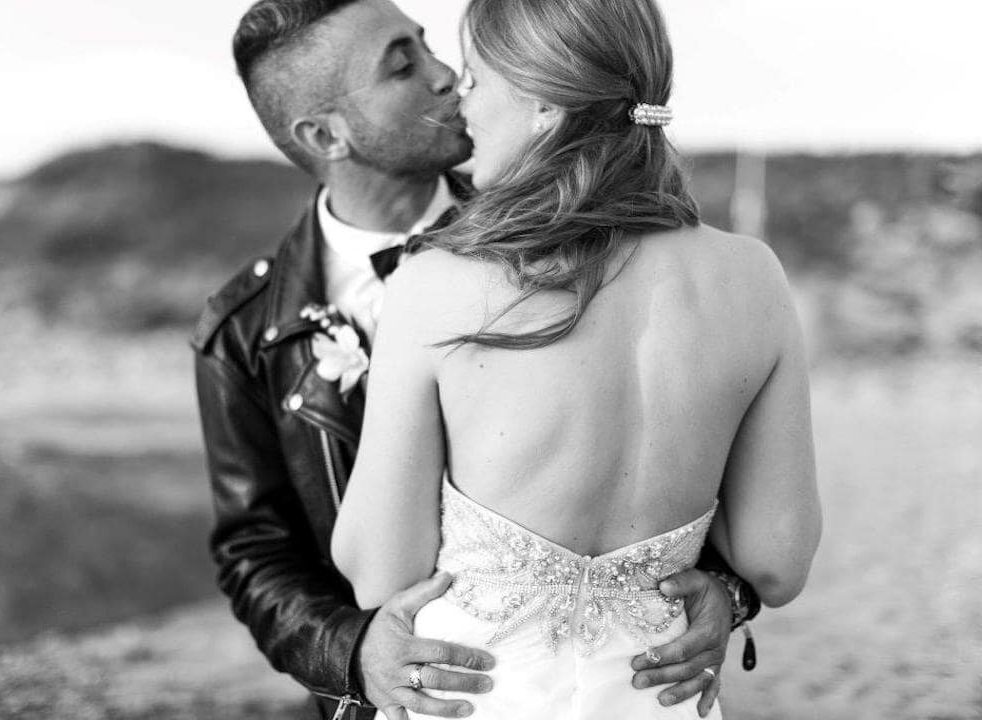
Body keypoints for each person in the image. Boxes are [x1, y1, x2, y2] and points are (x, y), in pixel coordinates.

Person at [193, 1, 762, 719]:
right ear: (324, 133)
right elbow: (255, 550)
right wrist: (352, 653)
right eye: (403, 66)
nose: (446, 78)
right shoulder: (245, 329)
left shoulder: (574, 241)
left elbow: (666, 451)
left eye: (432, 49)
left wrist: (725, 593)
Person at [329, 0, 822, 718]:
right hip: (659, 699)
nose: (462, 98)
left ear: (546, 105)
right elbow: (778, 560)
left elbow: (380, 571)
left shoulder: (435, 284)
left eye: (475, 75)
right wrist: (722, 588)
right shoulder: (754, 278)